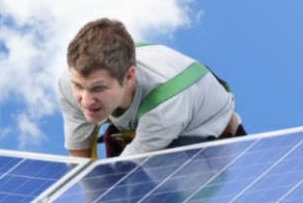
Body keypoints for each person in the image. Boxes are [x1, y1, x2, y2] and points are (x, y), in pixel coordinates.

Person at [58, 18, 243, 158]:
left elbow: (124, 175)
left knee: (166, 185)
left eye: (98, 88)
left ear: (129, 77)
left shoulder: (164, 107)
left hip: (202, 124)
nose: (87, 100)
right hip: (152, 115)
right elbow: (79, 162)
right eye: (78, 86)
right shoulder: (68, 83)